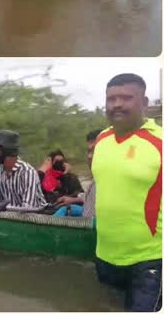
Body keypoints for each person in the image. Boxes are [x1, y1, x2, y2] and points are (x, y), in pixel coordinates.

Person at [92, 73, 162, 312]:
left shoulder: (159, 142)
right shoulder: (101, 139)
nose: (117, 104)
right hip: (105, 254)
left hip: (150, 260)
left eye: (126, 98)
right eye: (111, 99)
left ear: (144, 103)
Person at [0, 130, 47, 211]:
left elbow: (27, 208)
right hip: (11, 218)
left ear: (7, 150)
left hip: (35, 218)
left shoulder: (27, 172)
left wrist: (4, 208)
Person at [53, 130, 101, 218]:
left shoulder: (113, 179)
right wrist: (74, 199)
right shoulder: (96, 179)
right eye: (89, 151)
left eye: (95, 150)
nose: (89, 156)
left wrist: (66, 175)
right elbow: (91, 197)